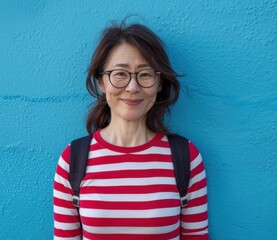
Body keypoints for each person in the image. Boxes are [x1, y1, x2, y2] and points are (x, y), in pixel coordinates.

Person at [53, 21, 209, 239]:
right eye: (120, 73)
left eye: (145, 74)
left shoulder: (185, 157)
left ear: (159, 83)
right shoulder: (73, 160)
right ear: (101, 82)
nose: (133, 87)